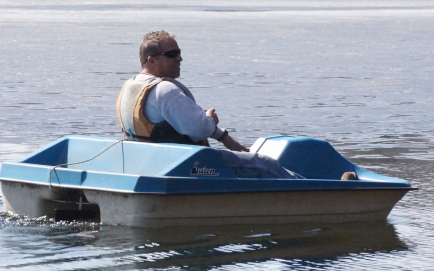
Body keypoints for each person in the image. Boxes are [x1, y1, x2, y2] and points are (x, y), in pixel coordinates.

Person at [116, 31, 301, 179]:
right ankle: (311, 193)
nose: (179, 59)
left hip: (152, 163)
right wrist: (209, 120)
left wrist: (223, 137)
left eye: (179, 53)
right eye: (172, 54)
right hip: (191, 166)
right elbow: (199, 130)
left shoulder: (130, 87)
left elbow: (175, 123)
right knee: (266, 164)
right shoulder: (165, 90)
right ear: (152, 60)